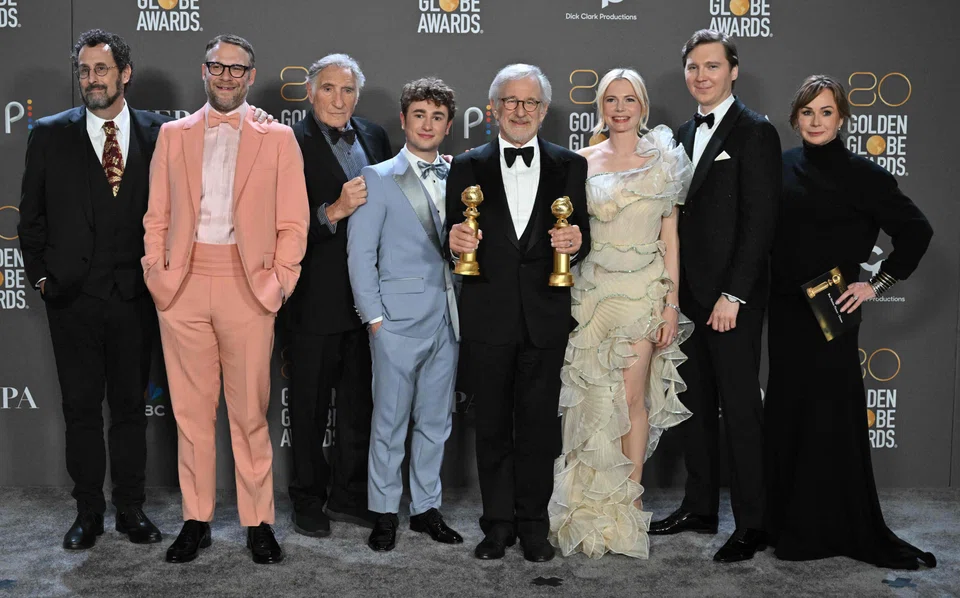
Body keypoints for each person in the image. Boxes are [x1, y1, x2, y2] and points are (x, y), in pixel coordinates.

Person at [142, 34, 309, 564]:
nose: (228, 77)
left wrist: (277, 282)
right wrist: (158, 275)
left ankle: (258, 522)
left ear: (251, 76)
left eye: (239, 70)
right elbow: (157, 215)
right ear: (205, 71)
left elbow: (293, 222)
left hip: (248, 287)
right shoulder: (173, 134)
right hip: (183, 288)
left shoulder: (278, 139)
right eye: (220, 67)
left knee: (249, 414)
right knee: (190, 415)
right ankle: (197, 520)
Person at [764, 74, 935, 570]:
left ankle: (826, 526)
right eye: (808, 113)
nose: (816, 121)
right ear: (796, 118)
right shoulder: (778, 168)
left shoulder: (866, 174)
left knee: (828, 417)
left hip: (833, 312)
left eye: (826, 112)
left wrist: (875, 284)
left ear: (842, 119)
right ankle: (783, 523)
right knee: (787, 414)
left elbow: (916, 232)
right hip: (786, 310)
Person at [18, 29, 168, 550]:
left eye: (101, 69)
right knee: (81, 410)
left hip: (135, 299)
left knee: (129, 410)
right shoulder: (51, 133)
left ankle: (130, 508)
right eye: (84, 70)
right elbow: (30, 220)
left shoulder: (160, 133)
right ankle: (88, 512)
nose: (91, 79)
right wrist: (42, 278)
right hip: (72, 300)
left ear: (124, 73)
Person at [547, 68, 693, 559]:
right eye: (611, 99)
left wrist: (671, 304)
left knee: (632, 399)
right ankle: (585, 507)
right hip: (591, 294)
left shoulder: (666, 161)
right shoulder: (580, 162)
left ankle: (626, 510)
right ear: (600, 106)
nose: (621, 108)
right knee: (590, 400)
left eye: (629, 99)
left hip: (643, 293)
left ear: (643, 105)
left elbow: (670, 240)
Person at [447, 64, 590, 563]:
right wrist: (454, 240)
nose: (521, 110)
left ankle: (534, 525)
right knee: (491, 427)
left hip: (545, 316)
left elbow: (581, 236)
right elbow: (453, 233)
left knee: (537, 428)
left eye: (531, 103)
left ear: (545, 110)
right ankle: (497, 524)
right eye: (511, 101)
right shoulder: (466, 166)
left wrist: (577, 241)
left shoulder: (571, 164)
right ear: (494, 108)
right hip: (488, 316)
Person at [649, 29, 781, 564]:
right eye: (693, 68)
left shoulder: (755, 132)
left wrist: (734, 295)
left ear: (733, 70)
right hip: (690, 298)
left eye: (711, 66)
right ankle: (699, 507)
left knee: (741, 411)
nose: (701, 76)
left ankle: (754, 524)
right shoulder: (681, 132)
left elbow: (761, 222)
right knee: (697, 407)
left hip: (732, 301)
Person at [347, 77, 463, 552]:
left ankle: (426, 509)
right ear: (403, 120)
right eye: (420, 115)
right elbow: (360, 255)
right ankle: (383, 512)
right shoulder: (377, 176)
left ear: (449, 124)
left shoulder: (462, 174)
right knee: (390, 422)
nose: (428, 124)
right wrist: (374, 319)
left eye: (437, 117)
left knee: (435, 421)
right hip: (394, 321)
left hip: (449, 317)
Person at [287, 54, 392, 537]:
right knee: (308, 409)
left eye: (347, 90)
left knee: (359, 406)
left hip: (368, 299)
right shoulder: (287, 143)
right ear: (310, 93)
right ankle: (307, 499)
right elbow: (276, 225)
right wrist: (333, 210)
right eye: (328, 89)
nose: (338, 99)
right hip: (313, 299)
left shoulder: (374, 137)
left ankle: (349, 496)